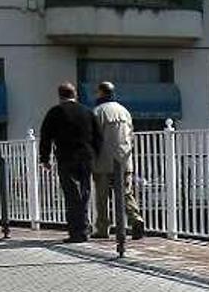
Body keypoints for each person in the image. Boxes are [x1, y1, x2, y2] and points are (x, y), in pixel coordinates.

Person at [39, 82, 100, 243]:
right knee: (85, 194)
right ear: (75, 95)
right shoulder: (87, 112)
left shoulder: (55, 112)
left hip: (66, 158)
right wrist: (96, 155)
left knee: (71, 195)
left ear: (60, 96)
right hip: (86, 158)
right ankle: (84, 227)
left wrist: (44, 159)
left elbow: (46, 136)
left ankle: (76, 231)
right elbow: (98, 136)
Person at [92, 81, 145, 240]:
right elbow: (131, 135)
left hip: (103, 161)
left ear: (101, 93)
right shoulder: (124, 111)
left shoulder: (98, 112)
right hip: (124, 160)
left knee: (102, 197)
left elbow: (94, 137)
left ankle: (103, 228)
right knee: (126, 193)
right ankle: (136, 219)